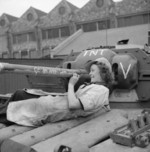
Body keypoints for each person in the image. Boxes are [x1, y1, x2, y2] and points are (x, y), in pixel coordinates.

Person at [2, 57, 113, 127]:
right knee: (19, 94)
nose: (90, 74)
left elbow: (74, 105)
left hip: (51, 108)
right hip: (54, 102)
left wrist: (71, 84)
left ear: (103, 73)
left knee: (16, 105)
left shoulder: (101, 90)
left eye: (93, 71)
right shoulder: (94, 87)